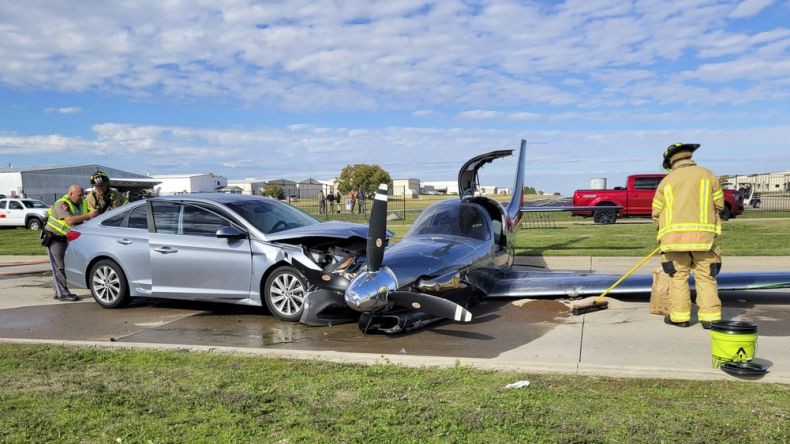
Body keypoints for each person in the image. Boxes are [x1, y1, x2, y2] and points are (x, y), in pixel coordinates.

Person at [652, 143, 724, 329]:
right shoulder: (708, 175)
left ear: (670, 162)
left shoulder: (667, 181)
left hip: (673, 242)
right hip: (704, 240)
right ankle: (710, 319)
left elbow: (656, 212)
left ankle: (680, 318)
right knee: (706, 278)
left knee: (678, 279)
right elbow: (719, 205)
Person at [42, 184, 99, 301]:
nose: (82, 197)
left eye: (83, 195)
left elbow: (87, 214)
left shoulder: (81, 203)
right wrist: (88, 215)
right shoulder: (62, 204)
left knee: (64, 265)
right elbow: (70, 220)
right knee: (59, 267)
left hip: (67, 238)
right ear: (71, 194)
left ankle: (57, 291)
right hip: (54, 239)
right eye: (79, 195)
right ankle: (62, 294)